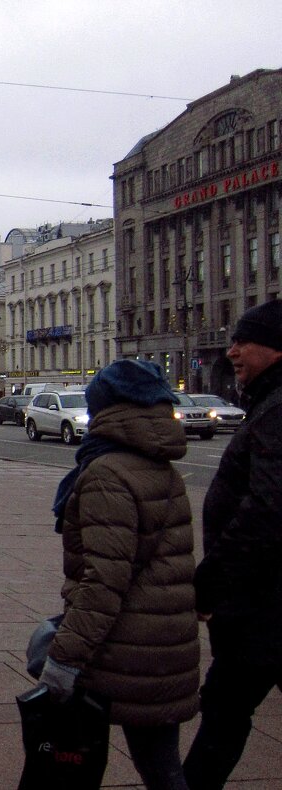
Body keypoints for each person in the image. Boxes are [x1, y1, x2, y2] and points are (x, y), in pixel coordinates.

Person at [39, 360, 198, 790]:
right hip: (165, 641)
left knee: (73, 764)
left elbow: (104, 583)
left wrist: (65, 658)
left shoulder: (107, 472)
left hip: (121, 648)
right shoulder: (160, 464)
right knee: (163, 768)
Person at [184, 301, 282, 790]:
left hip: (263, 602)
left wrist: (212, 582)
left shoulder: (278, 407)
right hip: (261, 599)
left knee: (224, 712)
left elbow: (269, 508)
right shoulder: (268, 402)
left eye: (245, 341)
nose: (233, 351)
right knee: (225, 711)